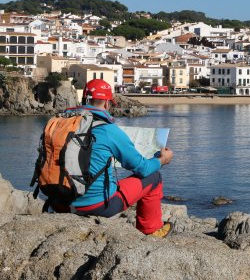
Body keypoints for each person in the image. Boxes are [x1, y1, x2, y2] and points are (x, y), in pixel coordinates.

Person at [68, 78, 174, 238]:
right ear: (106, 104)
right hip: (96, 205)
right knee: (154, 176)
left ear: (84, 99)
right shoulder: (108, 130)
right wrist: (162, 160)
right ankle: (151, 230)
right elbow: (143, 169)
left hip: (60, 201)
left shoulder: (62, 122)